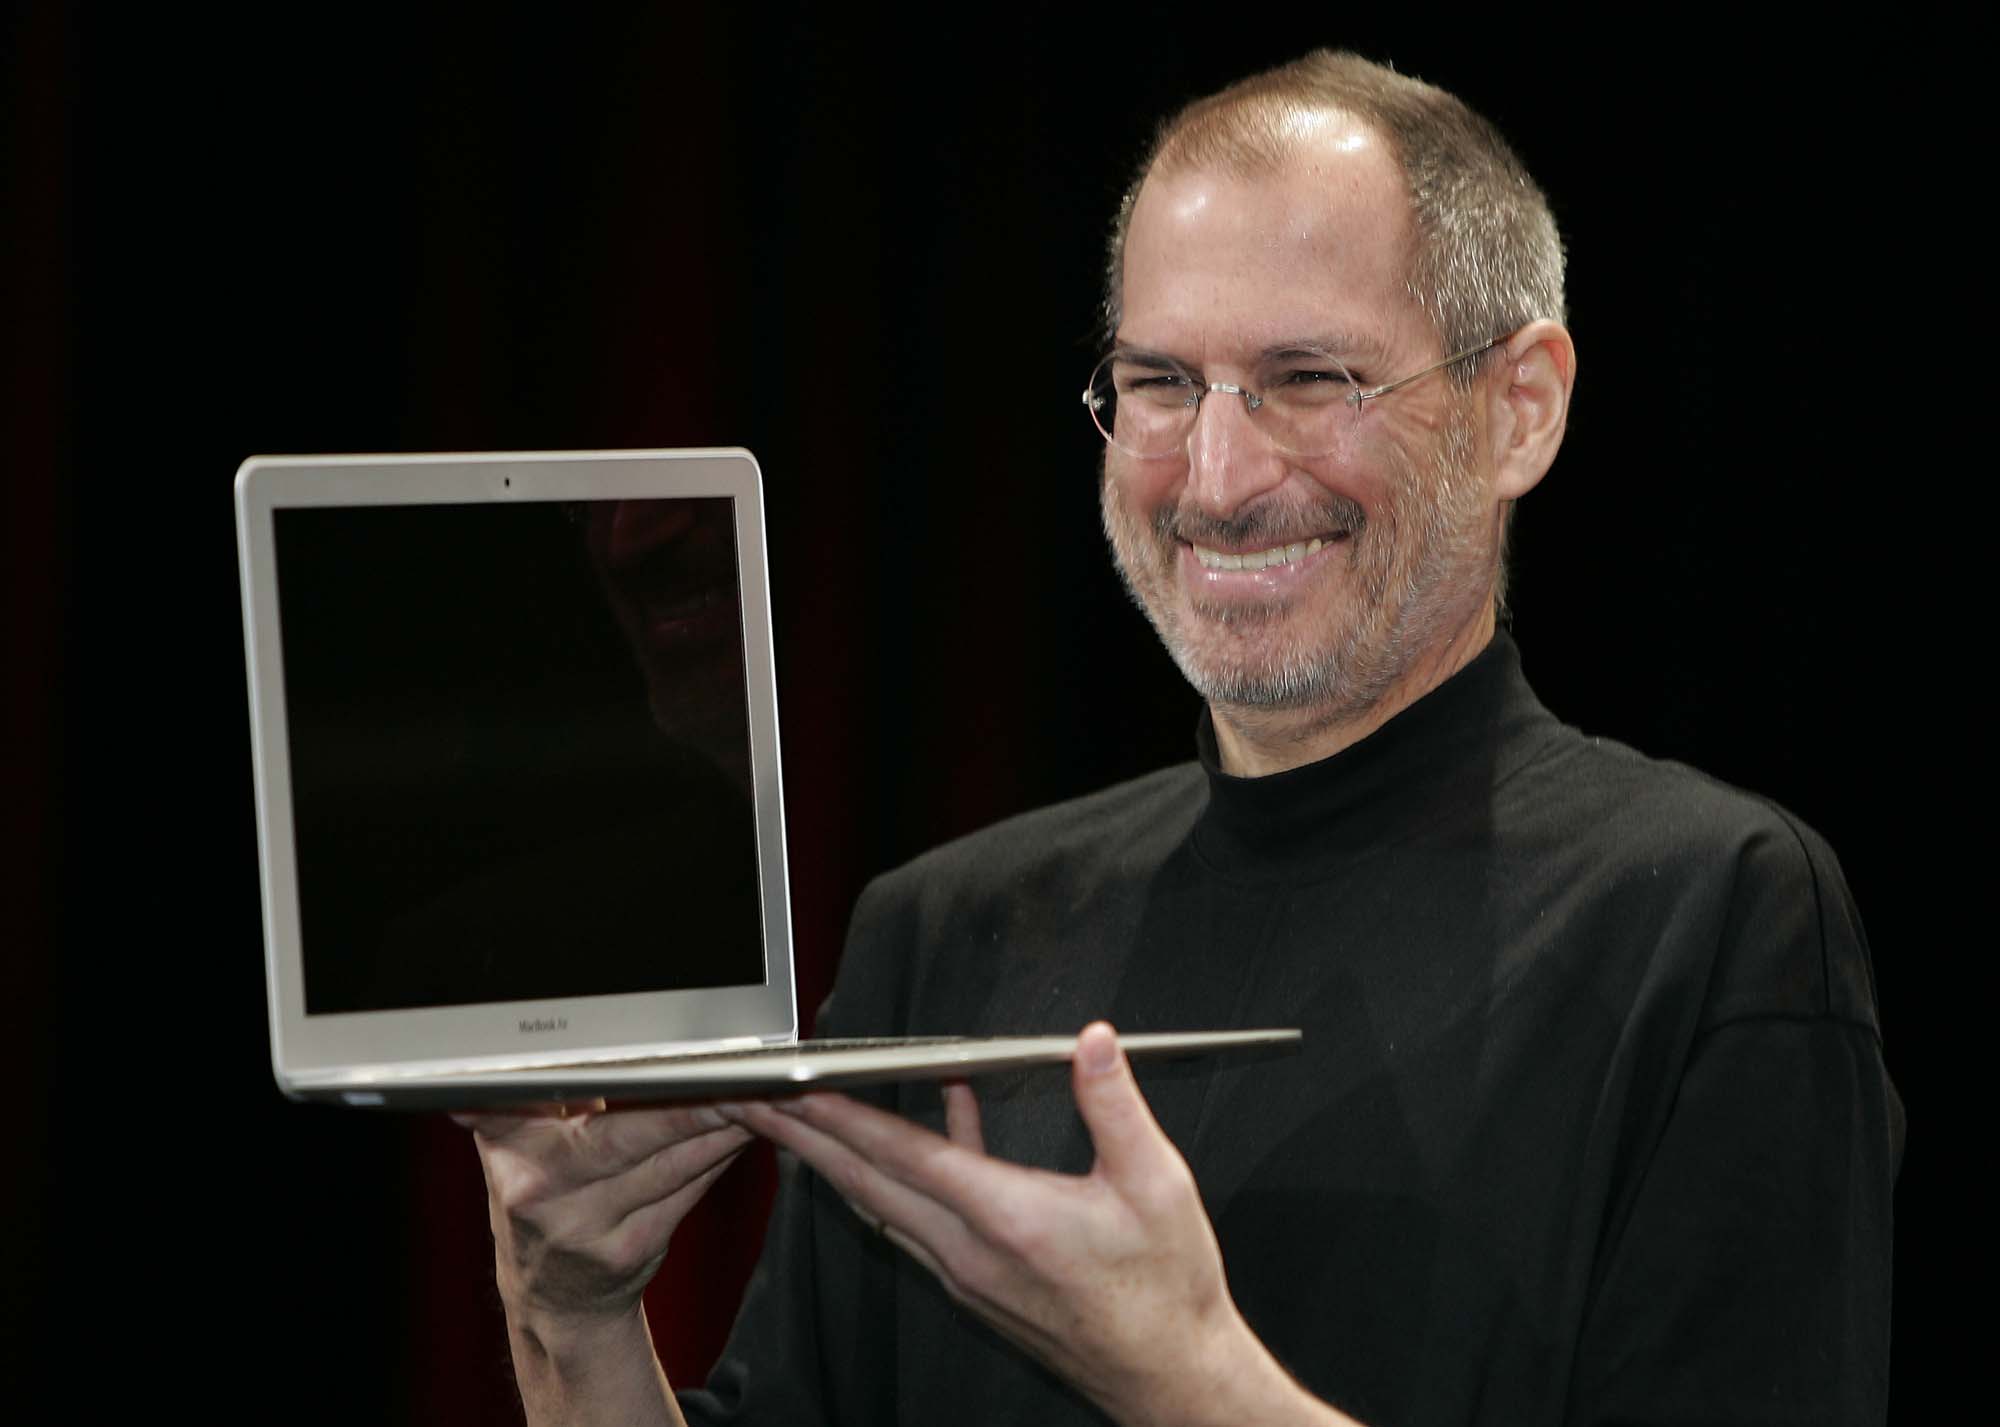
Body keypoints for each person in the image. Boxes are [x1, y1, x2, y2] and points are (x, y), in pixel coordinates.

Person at [460, 51, 1902, 1427]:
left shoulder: (1712, 918)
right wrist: (570, 1314)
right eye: (1160, 383)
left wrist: (1192, 1385)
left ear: (1520, 409)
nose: (1217, 478)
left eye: (1312, 379)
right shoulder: (947, 932)